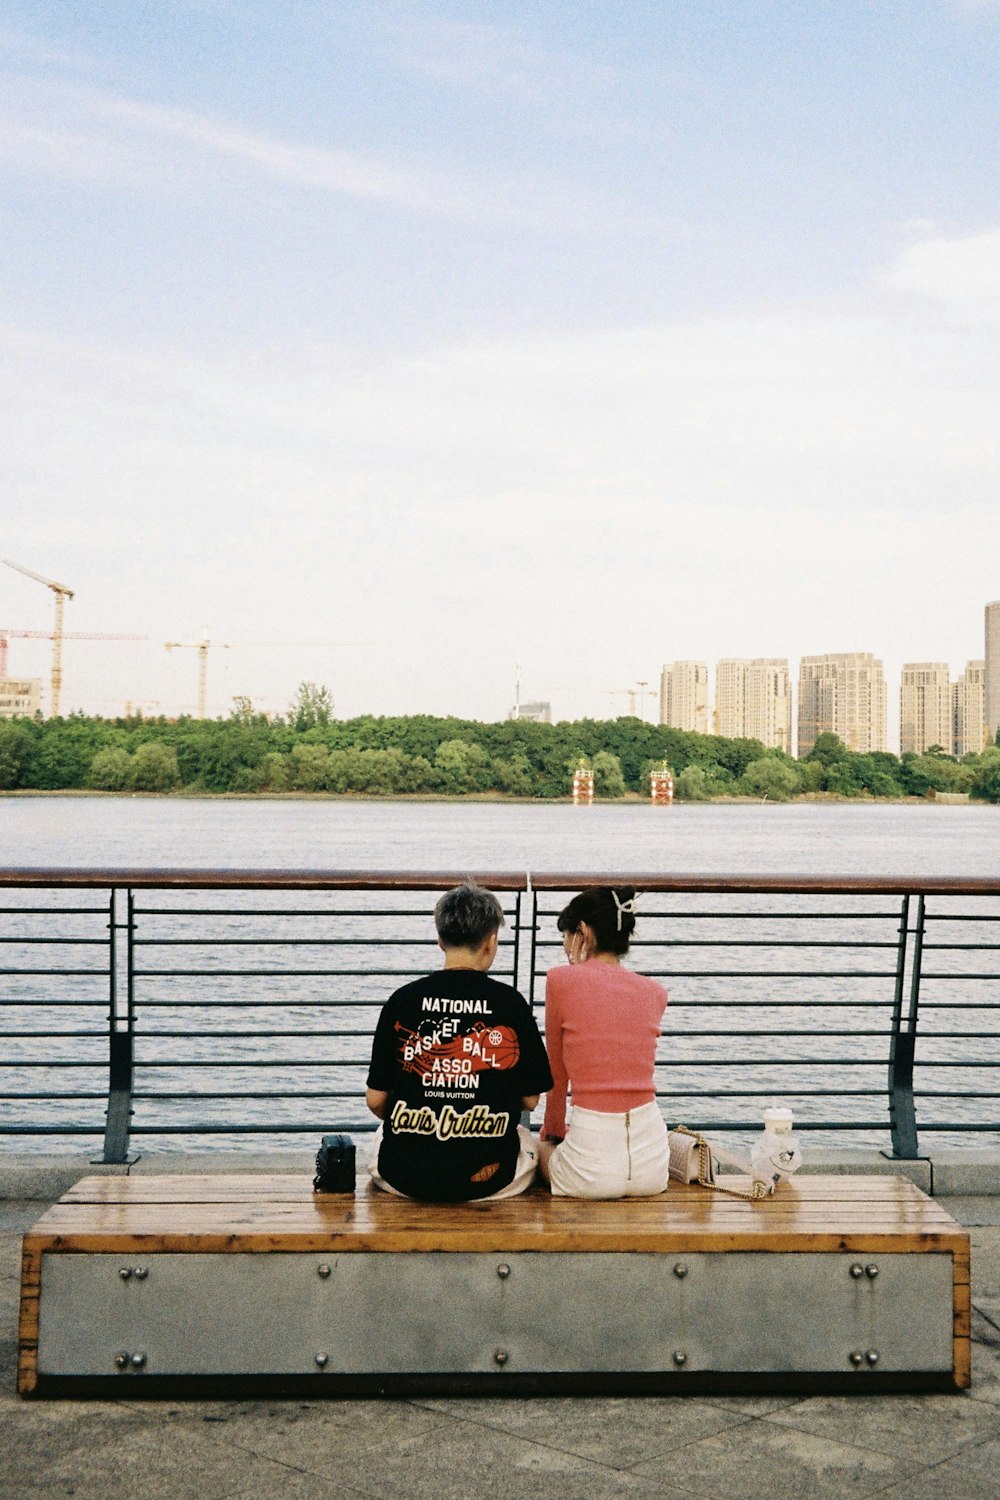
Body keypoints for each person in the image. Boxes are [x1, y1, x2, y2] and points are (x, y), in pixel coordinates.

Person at [366, 882, 552, 1201]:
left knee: (379, 1143)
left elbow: (375, 1101)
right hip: (489, 1182)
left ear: (440, 940)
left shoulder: (402, 1001)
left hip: (403, 1179)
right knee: (528, 1145)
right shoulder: (510, 1004)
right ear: (491, 941)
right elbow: (531, 1100)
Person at [539, 885, 669, 1199]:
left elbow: (556, 1076)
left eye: (565, 936)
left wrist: (552, 1136)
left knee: (532, 1151)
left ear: (582, 932)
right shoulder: (655, 991)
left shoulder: (561, 980)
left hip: (590, 1170)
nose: (565, 946)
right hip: (652, 1165)